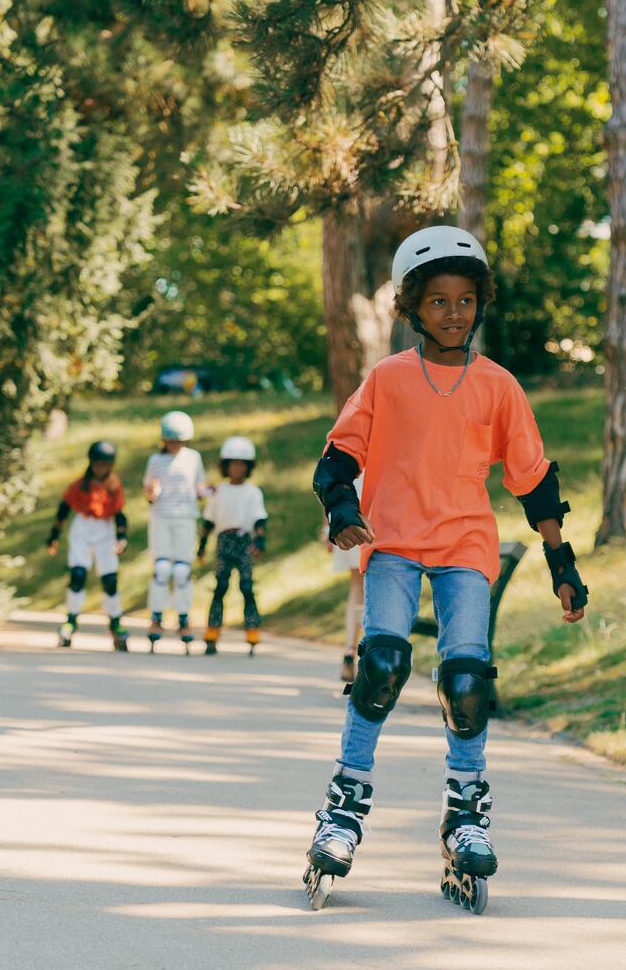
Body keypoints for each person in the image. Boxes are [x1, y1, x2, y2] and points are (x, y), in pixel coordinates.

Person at [303, 226, 589, 913]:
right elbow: (337, 459)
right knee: (382, 664)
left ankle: (466, 816)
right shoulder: (389, 379)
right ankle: (341, 813)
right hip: (394, 540)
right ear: (411, 308)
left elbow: (535, 482)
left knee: (467, 677)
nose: (453, 312)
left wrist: (561, 561)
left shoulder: (497, 386)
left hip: (464, 546)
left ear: (481, 303)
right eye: (437, 301)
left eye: (465, 300)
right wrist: (342, 509)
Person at [47, 441, 129, 652]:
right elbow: (64, 509)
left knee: (110, 579)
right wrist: (54, 536)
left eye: (106, 465)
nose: (101, 468)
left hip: (105, 530)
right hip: (82, 528)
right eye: (98, 464)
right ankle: (70, 621)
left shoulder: (114, 486)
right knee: (78, 575)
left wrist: (121, 537)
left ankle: (115, 622)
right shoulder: (80, 485)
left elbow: (120, 514)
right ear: (91, 463)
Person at [143, 411, 208, 653]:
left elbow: (199, 486)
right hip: (161, 518)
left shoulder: (193, 458)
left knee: (181, 571)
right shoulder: (155, 461)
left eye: (179, 441)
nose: (175, 445)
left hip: (186, 518)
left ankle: (183, 619)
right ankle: (156, 618)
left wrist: (209, 492)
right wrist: (152, 492)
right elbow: (148, 492)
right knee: (161, 569)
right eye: (171, 440)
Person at [198, 436, 268, 657]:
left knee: (246, 587)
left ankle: (252, 629)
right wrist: (201, 545)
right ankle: (212, 630)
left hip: (243, 541)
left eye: (241, 464)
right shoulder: (219, 491)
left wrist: (259, 540)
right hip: (224, 541)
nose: (236, 468)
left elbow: (259, 520)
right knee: (221, 587)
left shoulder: (253, 492)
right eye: (232, 463)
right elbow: (208, 521)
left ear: (248, 467)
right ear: (225, 466)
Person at [323, 473, 365, 683]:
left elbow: (330, 478)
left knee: (356, 588)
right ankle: (372, 651)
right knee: (378, 587)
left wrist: (328, 525)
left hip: (348, 512)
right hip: (376, 512)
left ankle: (350, 648)